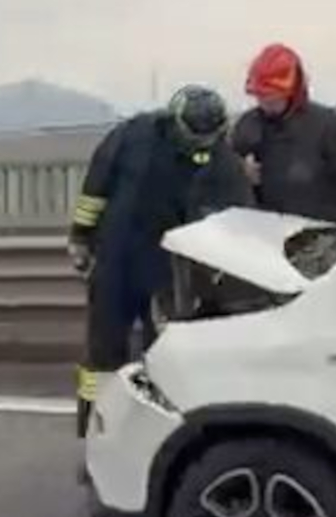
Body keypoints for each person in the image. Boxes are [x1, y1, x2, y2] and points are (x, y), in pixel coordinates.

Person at [69, 85, 253, 436]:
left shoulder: (223, 161)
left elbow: (237, 217)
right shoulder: (133, 136)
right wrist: (80, 236)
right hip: (116, 259)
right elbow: (96, 186)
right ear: (176, 121)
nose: (200, 146)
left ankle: (154, 434)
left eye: (207, 139)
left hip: (170, 272)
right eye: (194, 138)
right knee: (103, 354)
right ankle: (95, 430)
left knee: (164, 355)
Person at [231, 43, 336, 225]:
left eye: (273, 96)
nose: (266, 103)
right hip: (266, 232)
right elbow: (222, 171)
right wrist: (239, 171)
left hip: (318, 230)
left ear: (292, 92)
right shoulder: (247, 125)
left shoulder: (328, 127)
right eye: (261, 96)